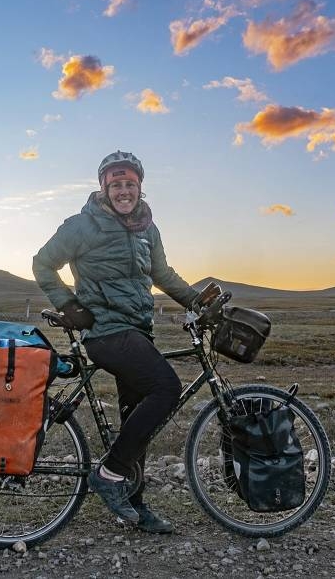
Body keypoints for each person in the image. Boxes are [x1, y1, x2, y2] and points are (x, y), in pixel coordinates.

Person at [32, 151, 199, 534]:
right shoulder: (82, 226)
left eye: (130, 184)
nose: (124, 191)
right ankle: (108, 476)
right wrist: (69, 305)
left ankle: (135, 506)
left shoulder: (147, 229)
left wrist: (197, 301)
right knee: (166, 387)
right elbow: (42, 263)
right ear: (104, 188)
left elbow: (163, 274)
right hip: (105, 331)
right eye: (116, 184)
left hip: (136, 331)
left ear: (140, 188)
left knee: (136, 423)